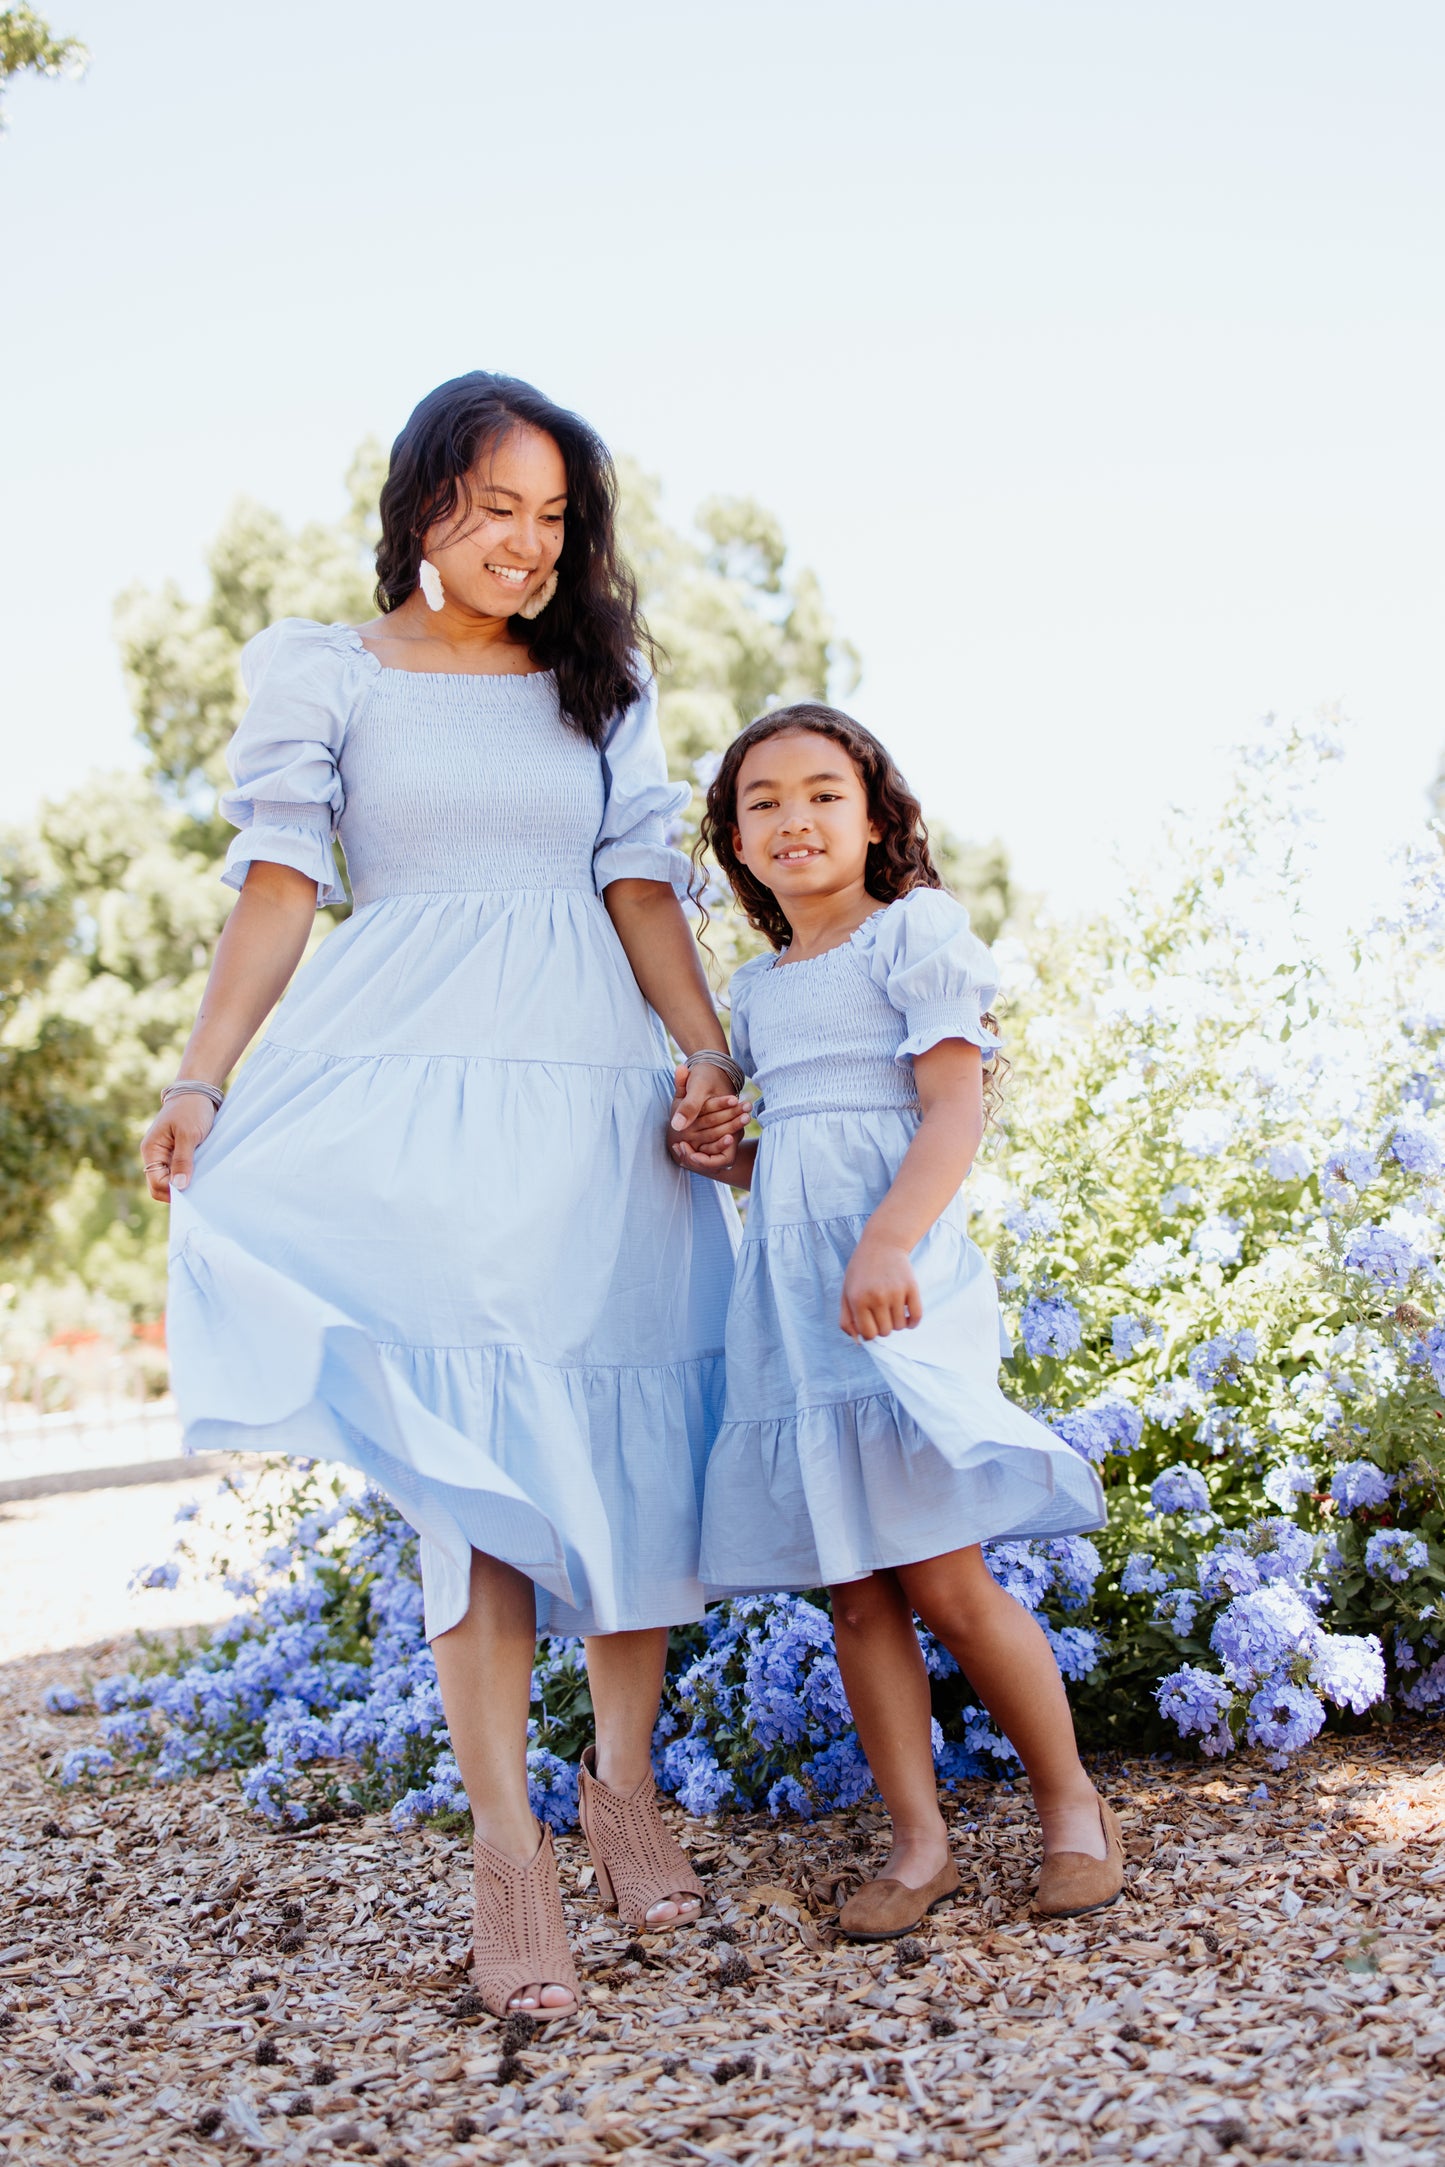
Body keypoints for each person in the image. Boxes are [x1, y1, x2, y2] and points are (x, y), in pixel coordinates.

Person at [140, 371, 740, 2017]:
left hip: (594, 1098)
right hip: (406, 1082)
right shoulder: (324, 671)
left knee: (630, 1454)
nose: (530, 545)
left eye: (556, 519)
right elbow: (279, 886)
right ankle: (507, 1849)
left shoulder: (602, 683)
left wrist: (705, 1059)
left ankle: (621, 1783)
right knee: (473, 1473)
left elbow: (636, 884)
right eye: (499, 509)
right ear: (423, 508)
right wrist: (203, 1075)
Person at [670, 704, 1122, 1936]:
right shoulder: (755, 993)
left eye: (822, 792)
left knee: (943, 1572)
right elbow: (786, 1167)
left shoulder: (910, 935)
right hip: (797, 1305)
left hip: (898, 1287)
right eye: (761, 802)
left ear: (874, 819)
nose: (793, 818)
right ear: (736, 844)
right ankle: (916, 1845)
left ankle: (1072, 1805)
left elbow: (950, 1113)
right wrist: (719, 1159)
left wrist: (883, 1243)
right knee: (855, 1592)